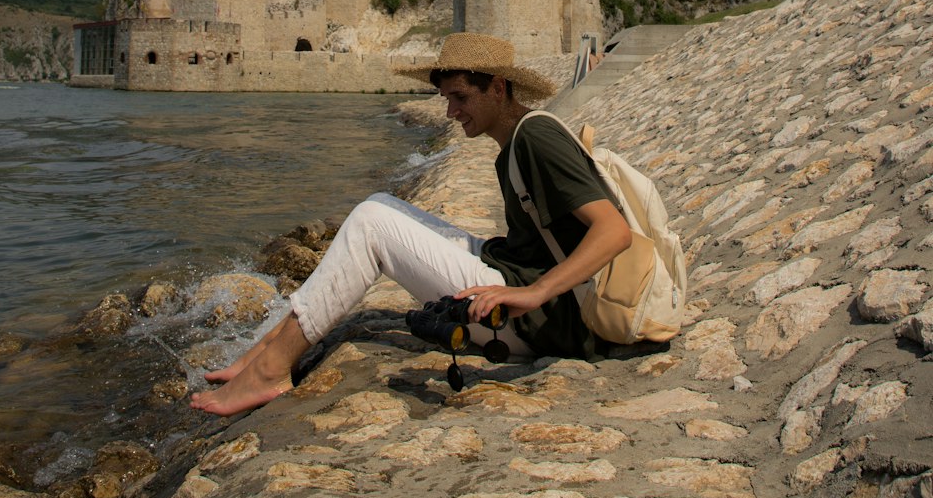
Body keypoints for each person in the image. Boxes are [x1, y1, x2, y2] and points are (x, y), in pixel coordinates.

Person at [191, 32, 632, 416]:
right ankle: (267, 347)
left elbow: (614, 231)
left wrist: (533, 293)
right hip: (526, 285)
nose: (450, 113)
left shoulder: (537, 137)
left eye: (460, 97)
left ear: (497, 88)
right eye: (447, 99)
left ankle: (270, 371)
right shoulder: (517, 140)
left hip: (548, 322)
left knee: (371, 222)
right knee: (381, 203)